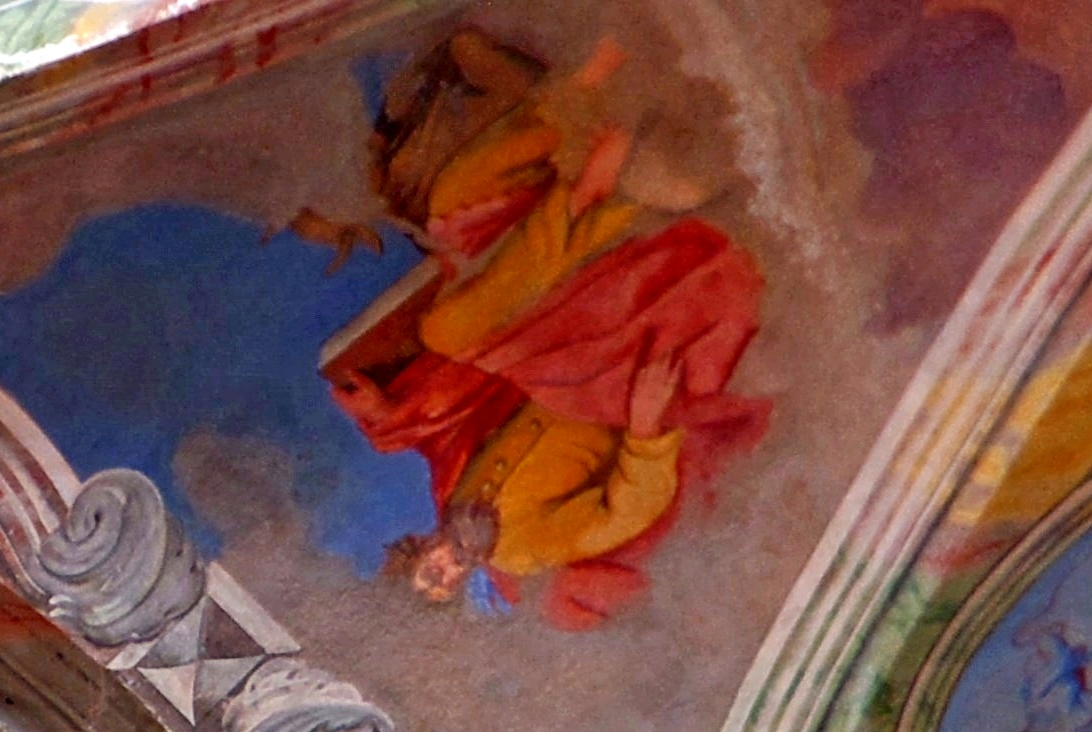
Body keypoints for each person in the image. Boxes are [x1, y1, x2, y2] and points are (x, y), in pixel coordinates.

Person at [321, 32, 768, 627]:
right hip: (603, 380)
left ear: (419, 551)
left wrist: (381, 412)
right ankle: (582, 201)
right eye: (448, 585)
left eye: (432, 571)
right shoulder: (524, 550)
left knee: (455, 203)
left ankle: (582, 96)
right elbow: (618, 516)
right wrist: (645, 430)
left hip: (545, 355)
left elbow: (441, 433)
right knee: (450, 328)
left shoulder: (453, 497)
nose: (448, 569)